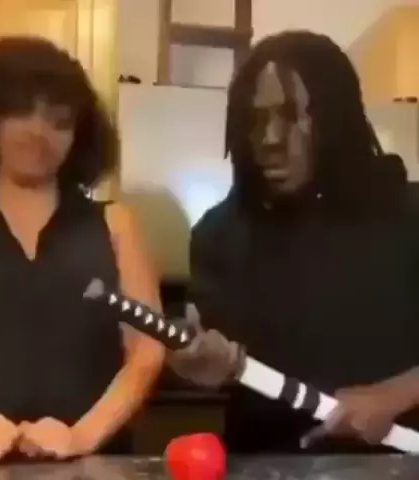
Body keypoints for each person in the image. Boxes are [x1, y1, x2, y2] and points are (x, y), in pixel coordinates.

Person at [169, 30, 419, 454]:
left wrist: (394, 395)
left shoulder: (408, 215)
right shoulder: (218, 234)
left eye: (290, 115)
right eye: (255, 120)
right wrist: (192, 366)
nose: (269, 138)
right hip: (266, 463)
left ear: (336, 116)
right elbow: (215, 363)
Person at [0, 36, 165, 463]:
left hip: (96, 468)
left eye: (59, 120)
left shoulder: (116, 224)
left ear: (79, 135)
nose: (38, 131)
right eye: (21, 111)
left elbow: (147, 352)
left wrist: (80, 437)